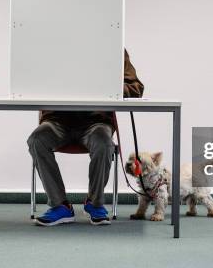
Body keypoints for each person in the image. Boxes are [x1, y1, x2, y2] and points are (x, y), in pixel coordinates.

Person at [27, 50, 144, 226]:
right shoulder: (51, 45)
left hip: (95, 122)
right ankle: (60, 206)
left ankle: (94, 203)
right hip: (57, 120)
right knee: (37, 140)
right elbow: (30, 82)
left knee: (104, 143)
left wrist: (104, 87)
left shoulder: (113, 46)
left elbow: (136, 88)